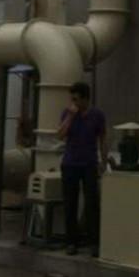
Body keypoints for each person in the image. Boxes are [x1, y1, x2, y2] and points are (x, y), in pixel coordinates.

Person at [57, 81, 106, 257]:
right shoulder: (68, 113)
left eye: (76, 99)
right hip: (70, 163)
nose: (73, 102)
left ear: (85, 99)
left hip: (89, 164)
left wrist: (104, 161)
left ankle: (94, 242)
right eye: (72, 99)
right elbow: (60, 135)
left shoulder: (97, 115)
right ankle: (71, 241)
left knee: (92, 203)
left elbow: (103, 139)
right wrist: (70, 116)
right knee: (70, 203)